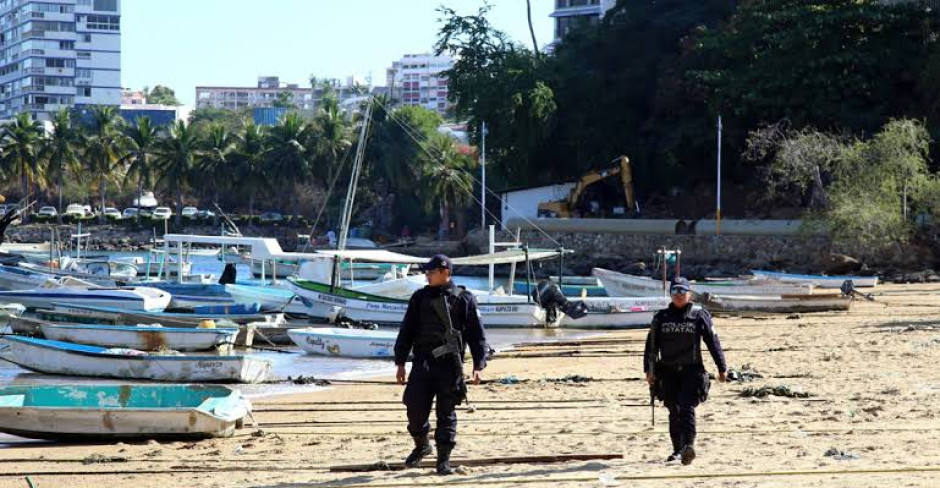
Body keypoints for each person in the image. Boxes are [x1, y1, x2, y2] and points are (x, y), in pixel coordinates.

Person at [394, 254, 487, 475]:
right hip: (423, 363)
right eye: (426, 272)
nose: (427, 275)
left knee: (446, 414)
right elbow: (407, 330)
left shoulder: (464, 298)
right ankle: (422, 445)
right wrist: (400, 362)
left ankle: (443, 460)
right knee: (414, 409)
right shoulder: (419, 297)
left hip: (450, 366)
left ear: (445, 272)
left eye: (431, 272)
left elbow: (476, 334)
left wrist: (478, 365)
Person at [644, 277, 727, 465]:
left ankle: (688, 446)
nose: (679, 295)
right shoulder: (661, 317)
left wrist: (721, 367)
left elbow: (712, 341)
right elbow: (651, 345)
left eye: (682, 291)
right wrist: (649, 370)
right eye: (675, 291)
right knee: (673, 410)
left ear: (689, 294)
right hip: (667, 371)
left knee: (687, 406)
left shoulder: (699, 315)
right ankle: (676, 450)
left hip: (692, 370)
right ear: (670, 294)